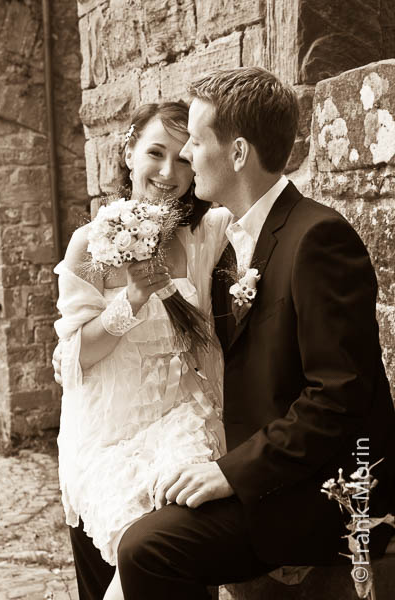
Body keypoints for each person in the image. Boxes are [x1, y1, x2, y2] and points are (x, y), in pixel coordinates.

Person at [111, 68, 395, 599]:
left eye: (195, 140)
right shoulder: (232, 244)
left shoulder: (318, 238)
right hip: (264, 470)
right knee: (131, 510)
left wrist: (230, 474)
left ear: (237, 153)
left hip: (322, 491)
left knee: (145, 548)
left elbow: (338, 396)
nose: (187, 155)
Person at [53, 101, 233, 600]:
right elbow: (74, 360)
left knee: (172, 558)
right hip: (107, 438)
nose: (167, 171)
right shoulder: (89, 244)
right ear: (128, 152)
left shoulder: (203, 235)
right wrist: (131, 298)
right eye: (155, 152)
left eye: (183, 159)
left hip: (181, 428)